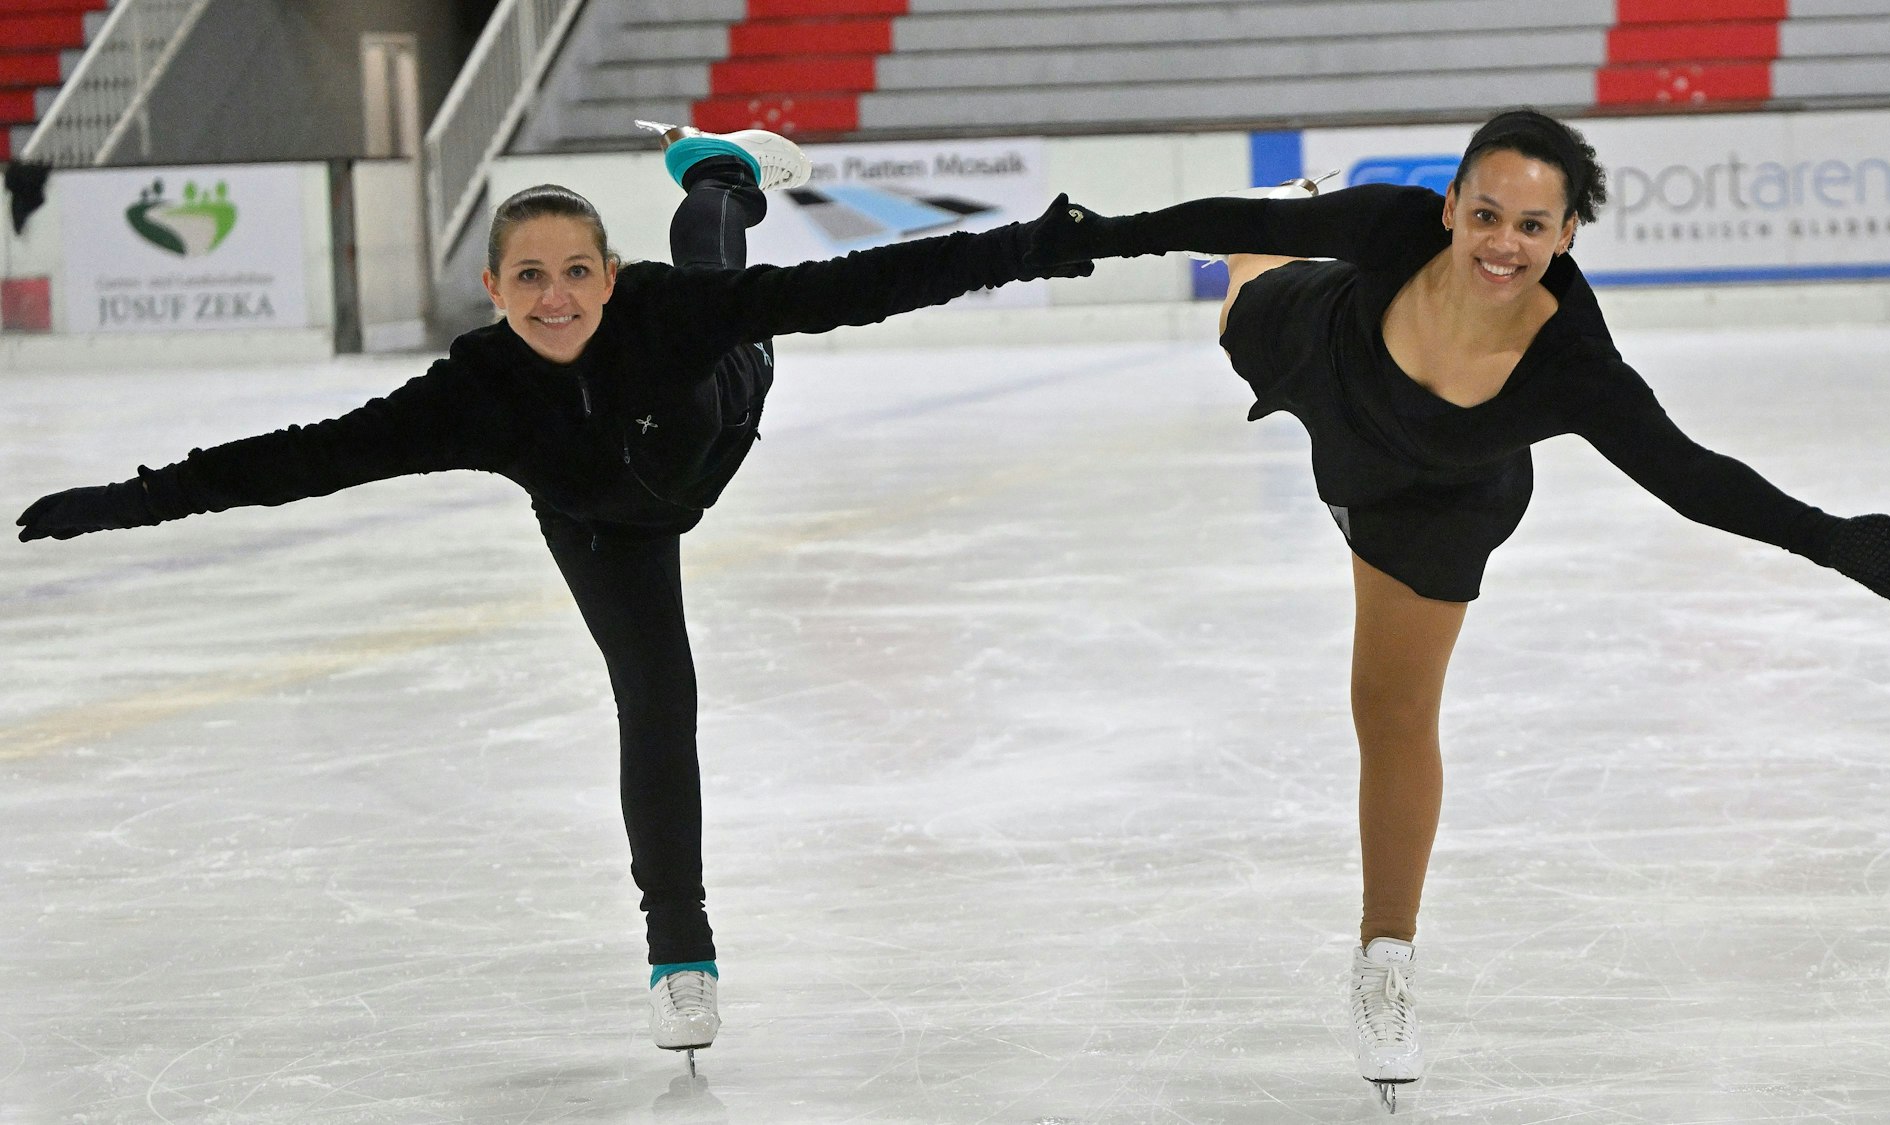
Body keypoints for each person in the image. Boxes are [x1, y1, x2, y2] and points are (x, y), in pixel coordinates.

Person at [16, 125, 1089, 1062]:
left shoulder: (662, 314)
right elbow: (308, 455)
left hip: (719, 407)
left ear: (608, 275)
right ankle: (681, 955)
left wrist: (1025, 249)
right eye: (528, 276)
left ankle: (721, 177)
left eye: (577, 270)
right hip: (601, 524)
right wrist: (132, 499)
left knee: (717, 275)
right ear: (492, 289)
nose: (555, 295)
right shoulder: (474, 393)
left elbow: (860, 285)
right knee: (656, 698)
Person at [1025, 108, 1890, 1111]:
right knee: (1236, 308)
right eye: (1485, 214)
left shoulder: (1571, 361)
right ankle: (1273, 236)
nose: (1503, 242)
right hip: (1333, 357)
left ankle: (1385, 959)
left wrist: (1825, 536)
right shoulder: (1390, 228)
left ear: (1566, 235)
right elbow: (1220, 219)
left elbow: (1686, 474)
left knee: (1389, 709)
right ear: (1452, 207)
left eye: (1532, 225)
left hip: (1437, 495)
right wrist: (1102, 234)